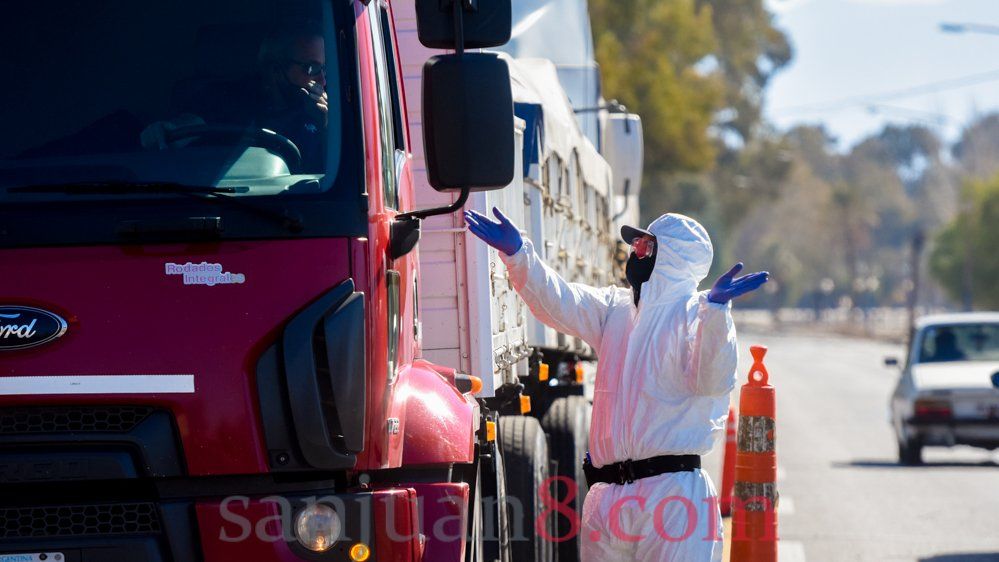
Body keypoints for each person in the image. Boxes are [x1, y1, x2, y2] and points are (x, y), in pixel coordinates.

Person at [463, 208, 769, 561]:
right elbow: (559, 301)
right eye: (636, 242)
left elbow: (712, 379)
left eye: (645, 244)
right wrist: (518, 255)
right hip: (607, 499)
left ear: (672, 257)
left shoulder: (697, 314)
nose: (634, 250)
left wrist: (716, 314)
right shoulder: (615, 309)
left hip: (672, 498)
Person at [142, 19, 329, 171]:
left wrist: (326, 127)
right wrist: (168, 130)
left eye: (324, 69)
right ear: (275, 69)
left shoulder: (325, 113)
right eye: (311, 68)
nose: (322, 79)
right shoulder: (233, 98)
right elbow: (196, 123)